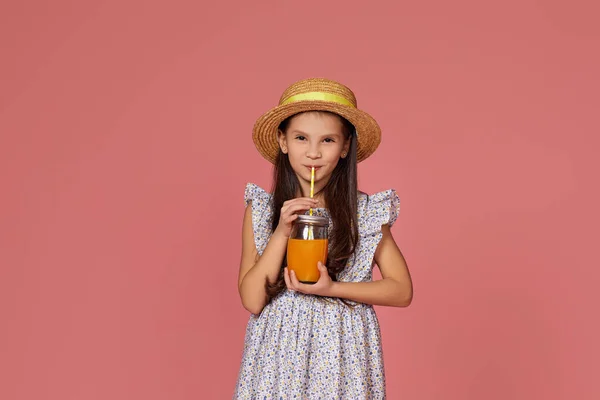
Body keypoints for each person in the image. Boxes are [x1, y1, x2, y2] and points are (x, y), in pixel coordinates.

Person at [234, 77, 413, 399]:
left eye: (328, 141)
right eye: (301, 138)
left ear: (345, 147)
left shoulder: (364, 212)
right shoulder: (262, 210)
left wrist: (333, 288)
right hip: (279, 350)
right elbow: (251, 299)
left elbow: (401, 290)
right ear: (283, 141)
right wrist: (282, 231)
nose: (313, 153)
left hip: (344, 348)